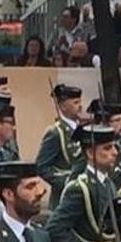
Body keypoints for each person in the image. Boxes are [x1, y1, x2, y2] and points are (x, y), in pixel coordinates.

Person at [35, 83, 84, 212]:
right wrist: (64, 180)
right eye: (75, 102)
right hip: (63, 197)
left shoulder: (83, 129)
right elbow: (41, 166)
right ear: (63, 107)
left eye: (80, 102)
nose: (80, 106)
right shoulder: (56, 132)